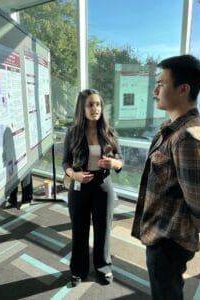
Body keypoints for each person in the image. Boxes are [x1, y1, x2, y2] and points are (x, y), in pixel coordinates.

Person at [131, 54, 200, 300]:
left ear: (183, 89)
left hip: (169, 242)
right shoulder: (170, 129)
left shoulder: (188, 137)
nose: (155, 90)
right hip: (160, 235)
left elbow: (199, 203)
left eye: (161, 83)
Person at [62, 88, 123, 287]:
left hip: (103, 187)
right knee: (79, 231)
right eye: (90, 104)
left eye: (98, 104)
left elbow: (120, 160)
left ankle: (103, 268)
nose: (95, 108)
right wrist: (74, 175)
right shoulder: (72, 133)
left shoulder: (109, 132)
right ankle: (78, 270)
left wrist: (113, 164)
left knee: (102, 230)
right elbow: (65, 163)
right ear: (82, 108)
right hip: (79, 186)